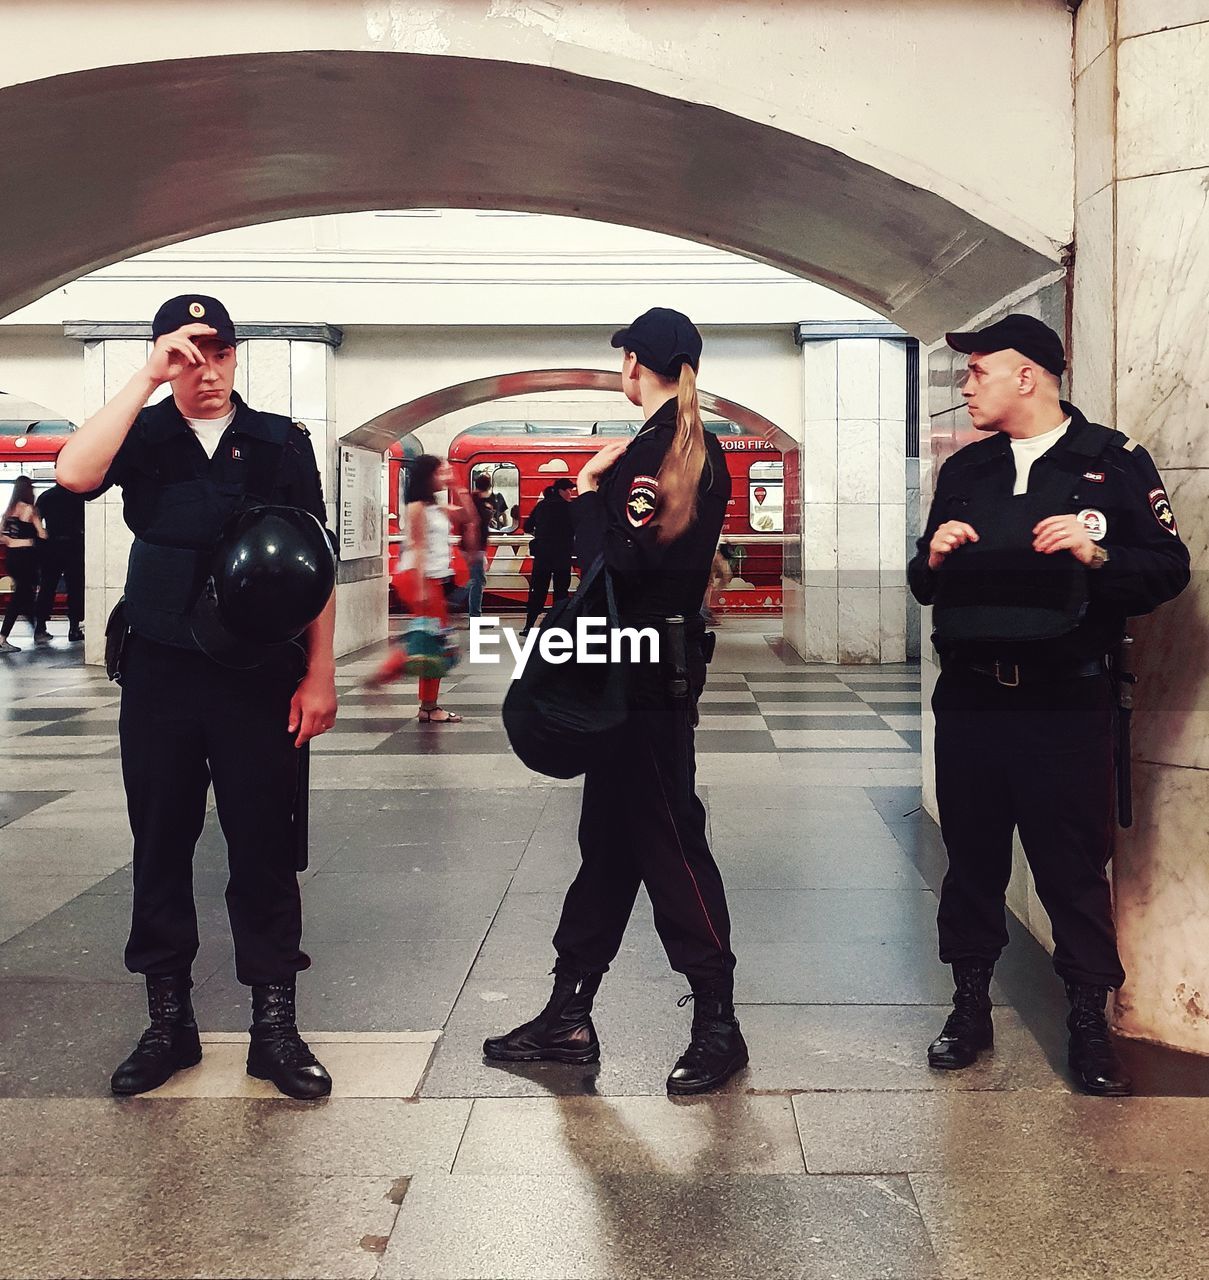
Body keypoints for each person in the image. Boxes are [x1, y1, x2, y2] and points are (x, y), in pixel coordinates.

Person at [55, 294, 338, 1100]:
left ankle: (274, 1028)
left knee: (264, 848)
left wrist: (320, 673)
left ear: (237, 355)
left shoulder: (279, 442)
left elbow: (313, 561)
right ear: (164, 355)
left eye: (218, 351)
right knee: (161, 844)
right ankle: (168, 1023)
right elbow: (75, 473)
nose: (204, 369)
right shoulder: (142, 436)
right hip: (160, 671)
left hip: (258, 675)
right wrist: (146, 378)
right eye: (187, 352)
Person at [908, 314, 1190, 1097]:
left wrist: (1094, 553)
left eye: (977, 373)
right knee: (969, 863)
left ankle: (1086, 1022)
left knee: (1069, 867)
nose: (964, 386)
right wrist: (928, 557)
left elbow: (1168, 568)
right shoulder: (965, 472)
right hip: (970, 698)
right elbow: (924, 583)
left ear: (1025, 376)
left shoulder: (1110, 462)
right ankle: (968, 1009)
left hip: (1065, 702)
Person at [485, 307, 746, 1095]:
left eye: (624, 361)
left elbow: (626, 566)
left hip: (639, 679)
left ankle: (717, 1024)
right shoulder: (682, 443)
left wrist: (591, 489)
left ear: (635, 363)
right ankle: (568, 1013)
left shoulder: (658, 450)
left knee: (668, 838)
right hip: (642, 669)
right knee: (609, 844)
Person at [367, 454, 463, 723]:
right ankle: (426, 705)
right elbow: (418, 546)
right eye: (439, 473)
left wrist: (458, 486)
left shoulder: (435, 506)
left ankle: (399, 686)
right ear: (426, 476)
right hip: (420, 578)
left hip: (432, 577)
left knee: (431, 638)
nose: (444, 477)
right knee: (433, 641)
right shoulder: (417, 507)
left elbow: (469, 517)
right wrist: (421, 588)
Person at [520, 477, 576, 635]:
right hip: (562, 555)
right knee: (561, 592)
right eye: (569, 490)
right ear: (561, 491)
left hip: (543, 555)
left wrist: (541, 534)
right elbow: (577, 529)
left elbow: (527, 526)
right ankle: (558, 627)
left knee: (538, 590)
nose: (571, 494)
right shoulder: (569, 508)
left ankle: (529, 625)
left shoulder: (541, 506)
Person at [33, 483, 85, 643]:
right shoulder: (79, 496)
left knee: (47, 587)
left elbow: (35, 516)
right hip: (74, 546)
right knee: (75, 588)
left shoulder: (47, 496)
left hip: (51, 546)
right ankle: (74, 628)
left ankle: (40, 627)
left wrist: (42, 533)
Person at [0, 475, 47, 652]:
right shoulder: (30, 510)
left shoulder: (8, 510)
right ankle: (2, 637)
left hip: (12, 556)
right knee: (20, 597)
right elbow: (41, 533)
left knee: (25, 594)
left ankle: (38, 630)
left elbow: (1, 535)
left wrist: (12, 541)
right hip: (26, 557)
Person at [468, 472, 495, 618]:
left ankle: (475, 614)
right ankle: (475, 616)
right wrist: (475, 551)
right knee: (477, 582)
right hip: (476, 548)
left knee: (476, 581)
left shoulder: (474, 500)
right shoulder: (479, 503)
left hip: (476, 548)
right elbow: (473, 526)